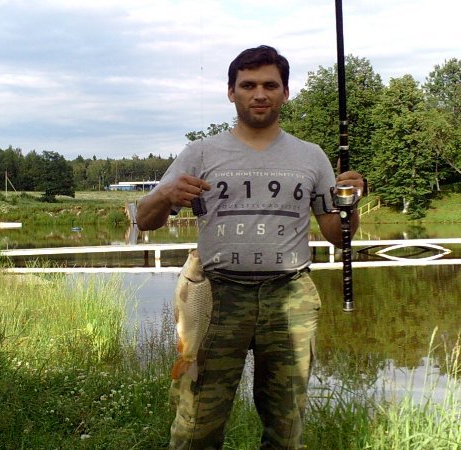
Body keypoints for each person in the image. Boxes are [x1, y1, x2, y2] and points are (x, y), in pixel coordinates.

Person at [136, 45, 364, 449]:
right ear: (231, 92)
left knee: (286, 426)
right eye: (248, 85)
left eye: (270, 85)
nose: (259, 94)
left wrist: (351, 204)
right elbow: (144, 220)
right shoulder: (200, 152)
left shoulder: (311, 157)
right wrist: (166, 194)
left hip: (290, 296)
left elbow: (337, 235)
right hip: (215, 295)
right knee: (197, 425)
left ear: (285, 93)